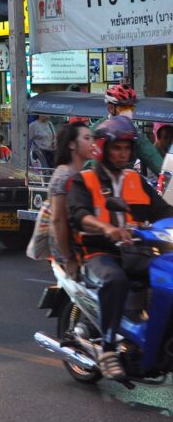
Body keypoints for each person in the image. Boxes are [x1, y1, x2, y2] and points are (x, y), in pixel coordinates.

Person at [67, 116, 173, 380]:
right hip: (99, 252)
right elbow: (78, 214)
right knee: (115, 280)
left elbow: (164, 210)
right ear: (103, 148)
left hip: (138, 250)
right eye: (117, 148)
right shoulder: (85, 180)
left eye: (127, 148)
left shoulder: (136, 181)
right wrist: (107, 228)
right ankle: (107, 346)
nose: (123, 154)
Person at [46, 122, 94, 277]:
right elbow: (58, 220)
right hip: (68, 253)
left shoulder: (80, 173)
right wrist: (69, 258)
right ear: (72, 144)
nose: (92, 143)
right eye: (87, 138)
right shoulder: (64, 175)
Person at [98, 84, 163, 176]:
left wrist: (168, 179)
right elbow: (89, 163)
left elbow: (153, 158)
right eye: (124, 108)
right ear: (111, 108)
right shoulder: (99, 129)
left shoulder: (135, 132)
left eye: (131, 108)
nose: (129, 112)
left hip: (126, 182)